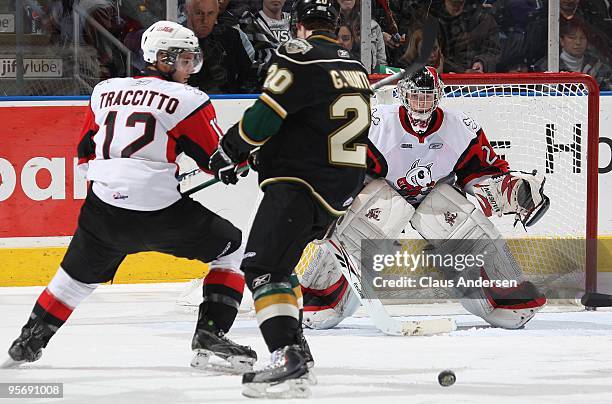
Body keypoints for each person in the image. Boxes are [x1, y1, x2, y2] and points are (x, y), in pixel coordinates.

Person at [3, 21, 256, 373]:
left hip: (102, 208)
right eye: (183, 60)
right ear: (162, 59)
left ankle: (29, 340)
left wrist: (117, 187)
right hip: (160, 212)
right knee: (232, 248)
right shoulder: (188, 99)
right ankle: (210, 336)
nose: (189, 68)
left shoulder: (104, 91)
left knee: (75, 278)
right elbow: (216, 159)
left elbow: (84, 155)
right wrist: (236, 165)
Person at [300, 66, 548, 331]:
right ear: (403, 95)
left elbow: (483, 171)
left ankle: (503, 299)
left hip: (436, 201)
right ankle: (322, 297)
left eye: (428, 97)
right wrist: (329, 202)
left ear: (438, 96)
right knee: (359, 227)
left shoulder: (461, 128)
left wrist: (510, 189)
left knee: (470, 230)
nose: (422, 104)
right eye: (416, 96)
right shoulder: (376, 124)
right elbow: (343, 167)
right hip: (383, 196)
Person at [208, 0, 372, 397]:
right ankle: (297, 349)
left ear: (298, 26)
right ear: (335, 26)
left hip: (301, 183)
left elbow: (265, 116)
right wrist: (263, 154)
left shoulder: (298, 56)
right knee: (280, 266)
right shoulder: (355, 67)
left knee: (262, 266)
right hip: (337, 189)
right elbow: (313, 122)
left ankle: (287, 357)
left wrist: (230, 151)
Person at [185, 0, 254, 93]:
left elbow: (247, 76)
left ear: (217, 12)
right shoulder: (176, 39)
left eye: (210, 13)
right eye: (199, 13)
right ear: (187, 12)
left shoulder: (230, 36)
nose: (205, 20)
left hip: (231, 101)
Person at [535, 18, 612, 90]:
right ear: (561, 40)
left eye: (582, 38)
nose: (578, 42)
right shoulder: (546, 66)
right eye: (572, 37)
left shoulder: (599, 66)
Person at [430, 0, 501, 73]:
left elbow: (493, 51)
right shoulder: (430, 17)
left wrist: (481, 62)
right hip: (440, 79)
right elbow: (427, 56)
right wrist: (462, 71)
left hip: (476, 80)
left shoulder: (484, 18)